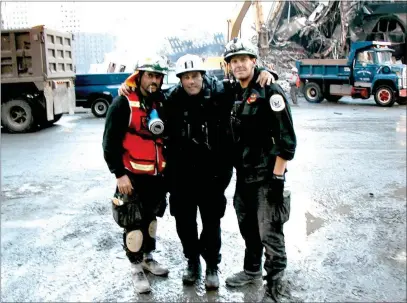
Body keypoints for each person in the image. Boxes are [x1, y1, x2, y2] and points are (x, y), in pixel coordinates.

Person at [118, 54, 275, 290]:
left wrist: (264, 71)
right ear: (180, 79)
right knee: (185, 225)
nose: (191, 81)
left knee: (212, 224)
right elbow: (145, 91)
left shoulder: (221, 92)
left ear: (203, 75)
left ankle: (212, 264)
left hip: (212, 176)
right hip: (181, 177)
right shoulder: (170, 99)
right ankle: (192, 262)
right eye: (185, 77)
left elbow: (247, 79)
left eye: (195, 76)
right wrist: (127, 85)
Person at [222, 37, 297, 303]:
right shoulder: (235, 92)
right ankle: (252, 270)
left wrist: (277, 177)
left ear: (254, 61)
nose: (239, 64)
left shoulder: (271, 91)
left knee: (270, 232)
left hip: (267, 177)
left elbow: (287, 140)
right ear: (229, 66)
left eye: (244, 59)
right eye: (234, 61)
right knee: (248, 228)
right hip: (244, 176)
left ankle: (275, 287)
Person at [102, 56, 170, 294]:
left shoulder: (162, 101)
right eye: (150, 75)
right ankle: (135, 267)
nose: (154, 80)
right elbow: (109, 142)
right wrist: (119, 174)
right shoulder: (123, 103)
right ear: (139, 75)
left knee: (151, 221)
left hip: (155, 177)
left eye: (158, 76)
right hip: (131, 177)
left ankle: (148, 259)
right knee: (133, 225)